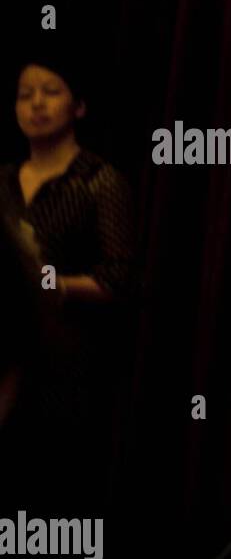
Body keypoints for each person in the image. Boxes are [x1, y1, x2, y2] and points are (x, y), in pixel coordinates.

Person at [2, 44, 135, 485]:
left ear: (78, 106)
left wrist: (47, 282)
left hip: (62, 362)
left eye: (50, 91)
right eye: (25, 94)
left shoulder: (99, 181)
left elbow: (117, 279)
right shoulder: (2, 179)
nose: (37, 103)